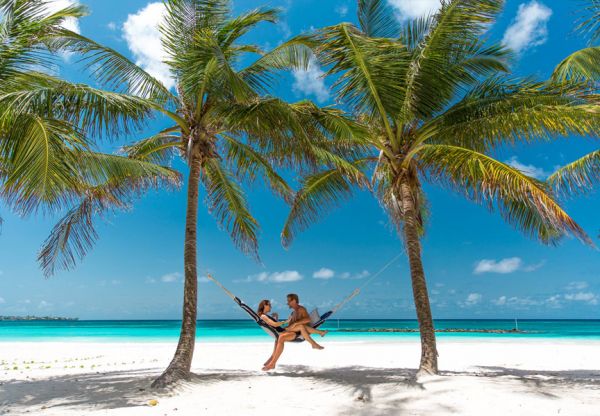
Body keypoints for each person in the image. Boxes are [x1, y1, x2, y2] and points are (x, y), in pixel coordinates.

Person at [262, 293, 328, 371]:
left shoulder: (301, 309)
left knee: (286, 334)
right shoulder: (293, 313)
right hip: (291, 331)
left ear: (294, 300)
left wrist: (295, 323)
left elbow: (308, 319)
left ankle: (272, 363)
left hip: (297, 333)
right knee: (278, 337)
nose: (287, 303)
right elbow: (290, 325)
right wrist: (282, 322)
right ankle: (272, 359)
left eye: (289, 301)